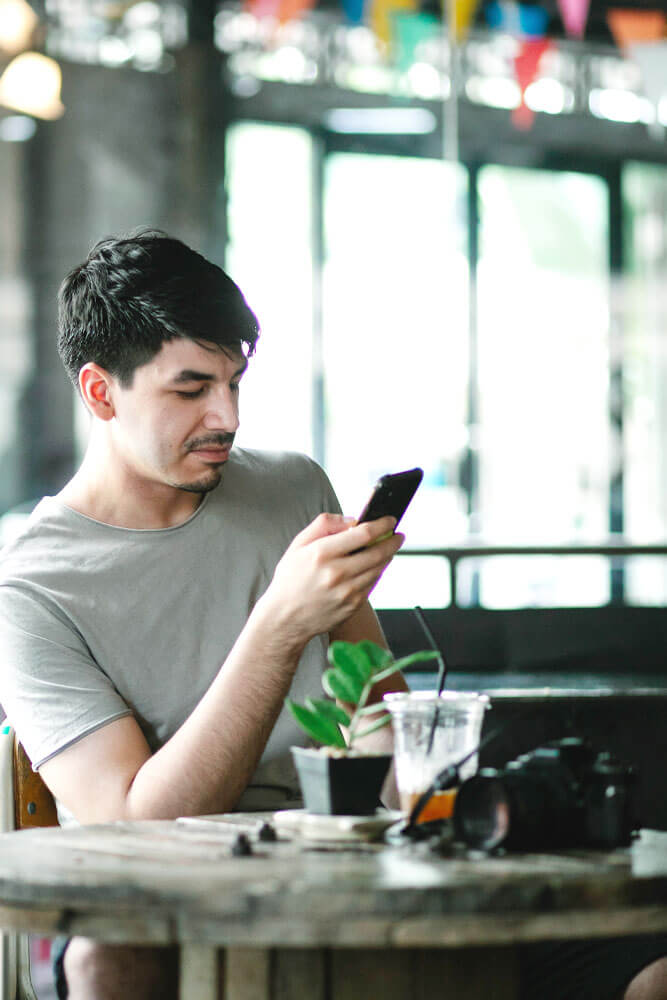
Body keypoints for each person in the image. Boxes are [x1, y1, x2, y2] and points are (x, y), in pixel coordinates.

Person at [0, 230, 409, 999]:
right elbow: (133, 827)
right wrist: (279, 625)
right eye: (190, 390)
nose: (226, 415)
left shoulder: (292, 488)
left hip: (350, 860)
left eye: (234, 383)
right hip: (181, 895)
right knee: (106, 961)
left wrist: (421, 794)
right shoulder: (30, 590)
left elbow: (372, 706)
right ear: (100, 392)